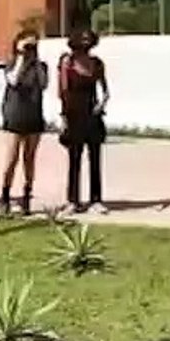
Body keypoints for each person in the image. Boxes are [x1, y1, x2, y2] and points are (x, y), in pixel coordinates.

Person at [59, 28, 109, 214]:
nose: (86, 42)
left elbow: (105, 90)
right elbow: (63, 91)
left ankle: (96, 200)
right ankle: (73, 200)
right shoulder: (67, 62)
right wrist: (63, 117)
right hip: (73, 113)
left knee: (95, 157)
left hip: (92, 113)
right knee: (74, 158)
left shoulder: (97, 64)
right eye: (84, 38)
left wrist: (102, 104)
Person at [0, 32, 48, 215]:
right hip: (15, 115)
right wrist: (21, 59)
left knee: (29, 159)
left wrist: (35, 61)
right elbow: (13, 80)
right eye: (26, 46)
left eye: (32, 46)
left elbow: (43, 84)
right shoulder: (11, 63)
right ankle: (5, 196)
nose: (29, 50)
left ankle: (27, 196)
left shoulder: (40, 66)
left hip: (33, 116)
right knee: (11, 159)